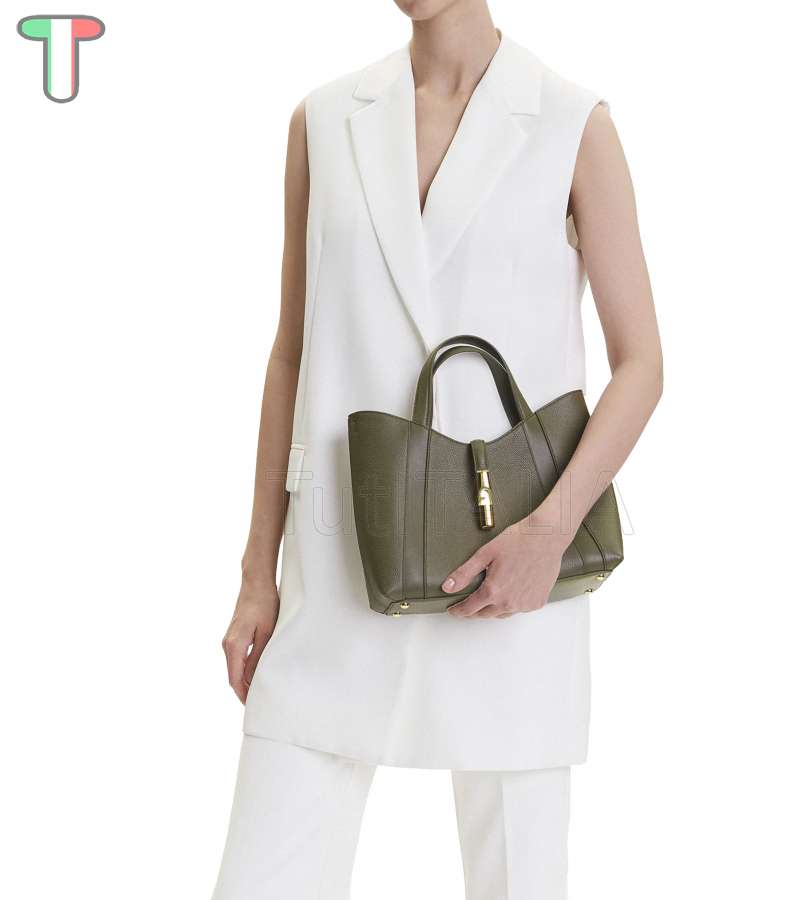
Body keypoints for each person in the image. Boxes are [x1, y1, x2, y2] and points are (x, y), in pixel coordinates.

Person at [213, 1, 663, 897]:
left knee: (518, 880)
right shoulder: (325, 121)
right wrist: (257, 571)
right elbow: (292, 352)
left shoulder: (572, 123)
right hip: (338, 566)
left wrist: (549, 535)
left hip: (509, 574)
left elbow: (641, 363)